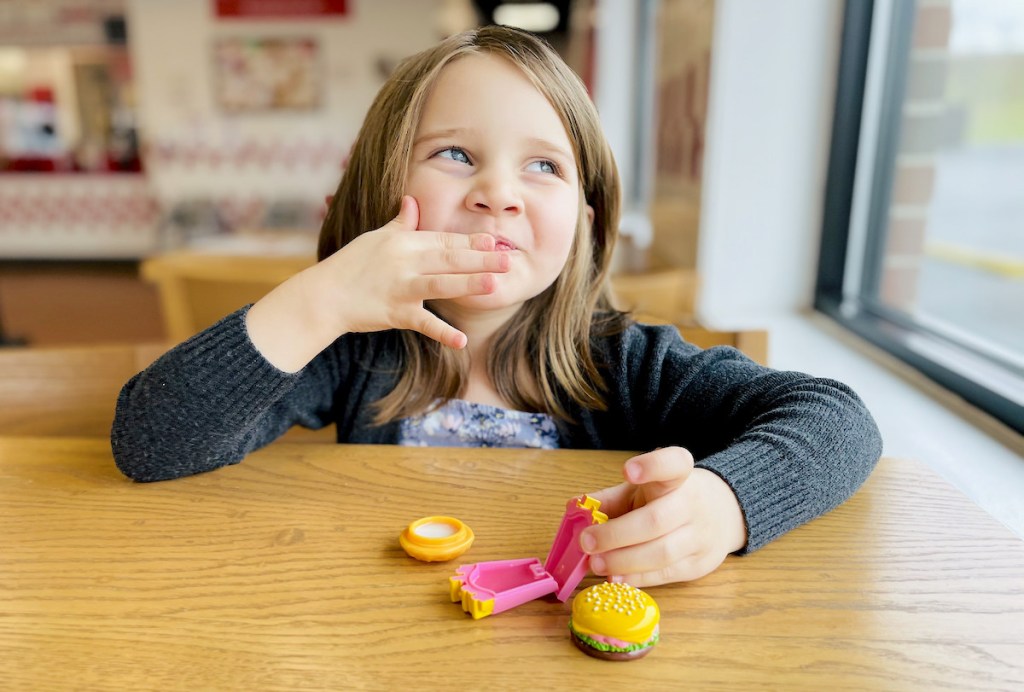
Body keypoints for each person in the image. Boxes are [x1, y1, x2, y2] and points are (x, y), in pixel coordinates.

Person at [112, 26, 882, 587]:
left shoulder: (627, 365)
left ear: (584, 224)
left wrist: (727, 503)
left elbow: (839, 420)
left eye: (543, 166)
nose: (498, 195)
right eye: (455, 154)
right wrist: (324, 297)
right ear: (380, 193)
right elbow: (151, 445)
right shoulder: (355, 348)